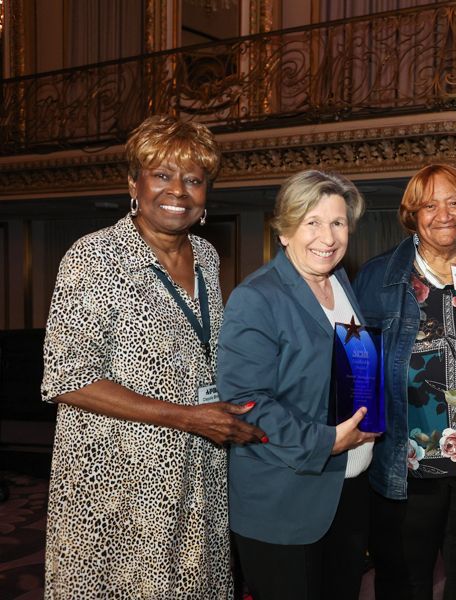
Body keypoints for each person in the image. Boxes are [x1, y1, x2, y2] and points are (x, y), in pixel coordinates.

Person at [40, 114, 265, 598]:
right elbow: (68, 378)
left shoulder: (206, 256)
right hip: (118, 478)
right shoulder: (94, 257)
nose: (178, 191)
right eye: (162, 175)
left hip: (197, 465)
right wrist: (186, 417)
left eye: (193, 179)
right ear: (133, 184)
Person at [353, 164, 456, 600]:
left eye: (454, 201)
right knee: (403, 587)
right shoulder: (377, 279)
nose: (443, 214)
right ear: (412, 214)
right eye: (430, 204)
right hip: (405, 474)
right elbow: (357, 370)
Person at [217, 170, 378, 600]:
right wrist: (327, 441)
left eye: (338, 223)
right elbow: (247, 404)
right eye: (312, 222)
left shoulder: (340, 282)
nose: (327, 236)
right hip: (285, 500)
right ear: (284, 231)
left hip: (346, 491)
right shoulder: (257, 298)